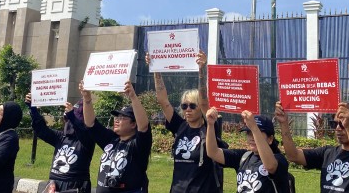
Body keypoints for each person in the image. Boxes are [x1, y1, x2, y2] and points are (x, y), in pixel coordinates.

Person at [147, 50, 226, 193]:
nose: (187, 109)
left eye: (192, 105)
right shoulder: (180, 126)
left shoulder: (210, 127)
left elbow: (204, 103)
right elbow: (163, 101)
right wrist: (156, 68)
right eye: (184, 106)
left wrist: (201, 69)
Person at [275, 101, 349, 192]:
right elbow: (293, 156)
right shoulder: (327, 153)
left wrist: (348, 128)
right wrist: (284, 123)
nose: (338, 129)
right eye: (334, 124)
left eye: (343, 124)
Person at [81, 80, 152, 193]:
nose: (117, 120)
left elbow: (143, 126)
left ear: (133, 124)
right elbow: (90, 123)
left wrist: (133, 97)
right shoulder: (111, 139)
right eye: (116, 117)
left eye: (122, 118)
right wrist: (87, 98)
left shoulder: (138, 145)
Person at [206, 108, 291, 193]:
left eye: (257, 133)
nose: (252, 138)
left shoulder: (279, 160)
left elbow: (270, 166)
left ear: (270, 139)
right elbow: (213, 152)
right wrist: (210, 125)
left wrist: (254, 128)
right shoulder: (243, 157)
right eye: (249, 134)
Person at [25, 92, 95, 193]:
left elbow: (83, 132)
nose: (67, 123)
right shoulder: (61, 137)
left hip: (75, 186)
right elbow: (41, 130)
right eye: (66, 119)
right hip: (54, 184)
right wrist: (33, 109)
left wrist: (72, 117)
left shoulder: (87, 141)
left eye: (71, 119)